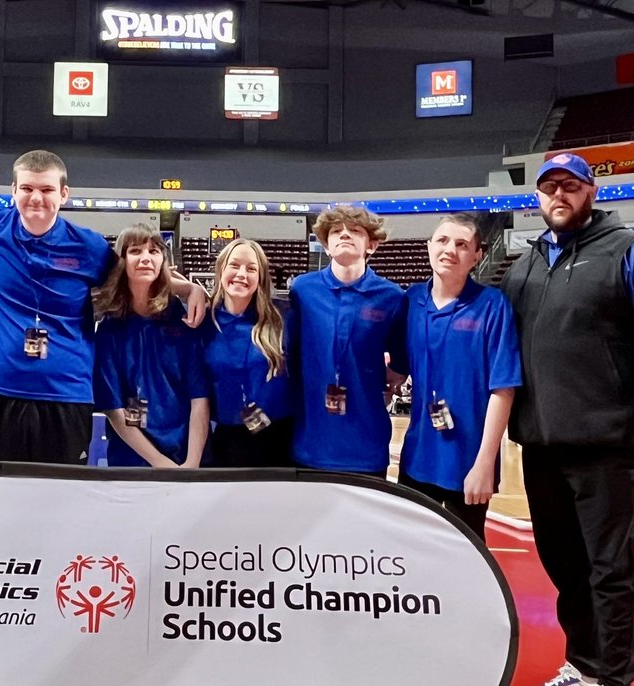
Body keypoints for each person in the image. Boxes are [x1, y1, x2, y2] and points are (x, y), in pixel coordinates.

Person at [501, 153, 634, 686]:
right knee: (566, 566)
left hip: (608, 445)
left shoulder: (631, 253)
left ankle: (610, 676)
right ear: (537, 197)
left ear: (591, 191)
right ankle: (583, 665)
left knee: (613, 569)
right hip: (541, 445)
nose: (557, 196)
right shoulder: (527, 263)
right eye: (548, 188)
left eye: (569, 186)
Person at [0, 150, 205, 464]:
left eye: (46, 189)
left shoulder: (89, 246)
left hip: (66, 396)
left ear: (64, 194)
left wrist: (187, 287)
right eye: (26, 189)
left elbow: (134, 275)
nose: (35, 198)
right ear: (13, 191)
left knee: (61, 503)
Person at [397, 214, 521, 542]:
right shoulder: (410, 301)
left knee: (465, 559)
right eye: (442, 240)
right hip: (416, 459)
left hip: (469, 463)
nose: (450, 249)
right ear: (428, 247)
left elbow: (503, 389)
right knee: (406, 554)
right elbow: (394, 371)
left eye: (462, 244)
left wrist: (485, 463)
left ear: (477, 255)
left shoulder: (493, 306)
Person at [288, 205, 408, 476]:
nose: (344, 235)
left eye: (354, 231)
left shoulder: (392, 297)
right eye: (335, 231)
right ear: (326, 246)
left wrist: (387, 379)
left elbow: (402, 360)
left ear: (372, 245)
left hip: (366, 445)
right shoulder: (302, 290)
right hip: (310, 444)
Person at [93, 224, 209, 468]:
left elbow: (199, 398)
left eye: (154, 251)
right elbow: (115, 410)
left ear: (163, 262)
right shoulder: (109, 330)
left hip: (187, 458)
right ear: (122, 260)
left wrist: (191, 464)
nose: (145, 258)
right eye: (135, 251)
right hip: (132, 461)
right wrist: (161, 464)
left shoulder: (184, 320)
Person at [201, 238, 294, 468]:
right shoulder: (201, 320)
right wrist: (188, 288)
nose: (242, 274)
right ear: (221, 269)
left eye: (251, 268)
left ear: (260, 277)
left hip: (280, 438)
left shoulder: (284, 317)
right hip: (226, 440)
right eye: (234, 265)